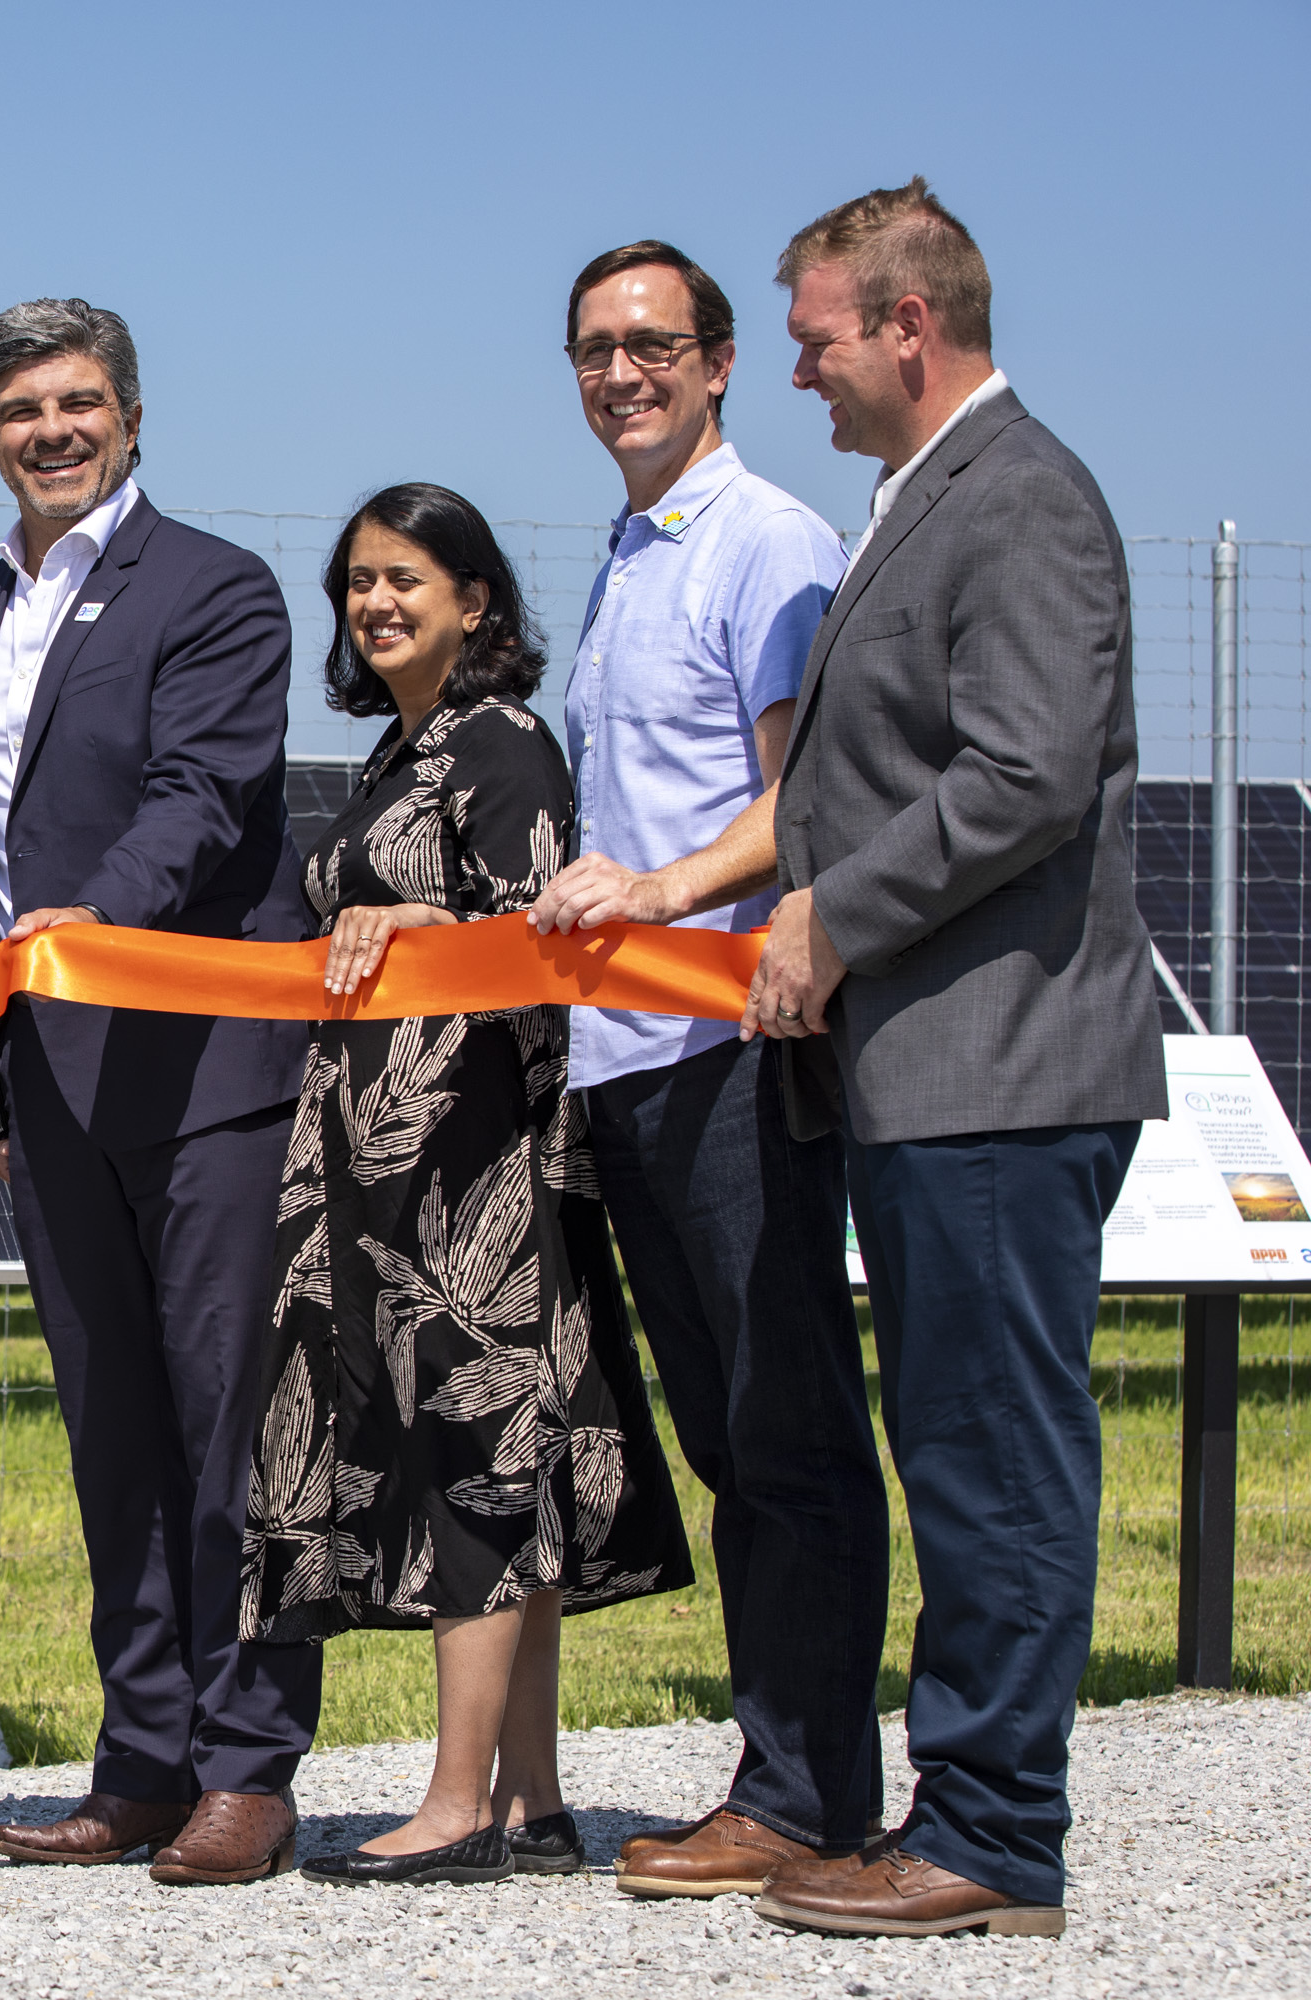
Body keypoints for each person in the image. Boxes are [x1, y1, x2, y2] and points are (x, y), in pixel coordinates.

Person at [743, 179, 1164, 1940]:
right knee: (960, 1441)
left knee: (993, 1456)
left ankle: (993, 1833)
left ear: (910, 327)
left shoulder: (1022, 501)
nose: (803, 380)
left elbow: (1025, 776)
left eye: (818, 342)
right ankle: (962, 1804)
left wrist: (831, 914)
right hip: (937, 1075)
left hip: (999, 1072)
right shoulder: (932, 502)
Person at [0, 298, 322, 1885]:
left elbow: (205, 792)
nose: (55, 431)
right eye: (24, 410)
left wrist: (95, 922)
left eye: (82, 403)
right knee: (112, 1437)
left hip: (202, 1075)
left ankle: (251, 1765)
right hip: (53, 1087)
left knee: (227, 1427)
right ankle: (142, 1761)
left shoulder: (215, 590)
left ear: (134, 418)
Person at [255, 485, 695, 1889]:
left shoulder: (499, 742)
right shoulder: (398, 751)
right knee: (493, 1462)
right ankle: (533, 1800)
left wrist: (428, 923)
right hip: (381, 1167)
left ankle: (457, 1804)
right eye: (354, 584)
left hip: (473, 1169)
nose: (373, 603)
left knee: (484, 1462)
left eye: (403, 579)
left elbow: (550, 940)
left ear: (476, 600)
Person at [522, 241, 889, 1897]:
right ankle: (786, 1767)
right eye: (594, 349)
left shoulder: (770, 544)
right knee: (732, 1441)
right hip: (628, 1062)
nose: (620, 374)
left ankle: (809, 1793)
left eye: (651, 344)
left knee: (785, 1422)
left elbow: (802, 803)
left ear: (723, 361)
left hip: (733, 1045)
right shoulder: (629, 553)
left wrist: (661, 895)